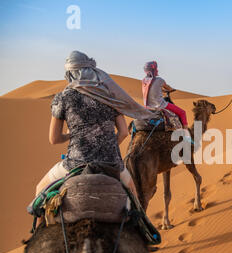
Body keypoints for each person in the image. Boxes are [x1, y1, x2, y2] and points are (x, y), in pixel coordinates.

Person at [34, 51, 153, 200]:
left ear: (70, 73)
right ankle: (143, 222)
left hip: (75, 163)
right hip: (111, 163)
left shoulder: (63, 98)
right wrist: (106, 148)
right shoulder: (108, 96)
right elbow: (123, 132)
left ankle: (38, 224)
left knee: (40, 191)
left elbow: (54, 139)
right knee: (134, 198)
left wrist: (72, 134)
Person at [142, 61, 191, 139]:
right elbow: (167, 87)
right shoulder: (160, 80)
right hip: (160, 105)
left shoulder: (144, 81)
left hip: (148, 107)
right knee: (182, 113)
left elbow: (152, 89)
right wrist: (171, 89)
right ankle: (186, 135)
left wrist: (160, 90)